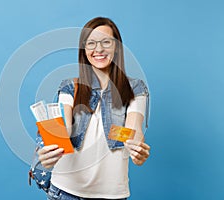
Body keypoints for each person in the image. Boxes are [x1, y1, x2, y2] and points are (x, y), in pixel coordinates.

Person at [38, 17, 151, 200]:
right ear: (84, 50)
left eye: (106, 42)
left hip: (112, 195)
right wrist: (47, 150)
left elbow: (134, 128)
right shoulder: (70, 87)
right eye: (91, 43)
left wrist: (137, 148)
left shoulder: (135, 89)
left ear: (117, 47)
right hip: (65, 192)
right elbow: (64, 128)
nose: (98, 49)